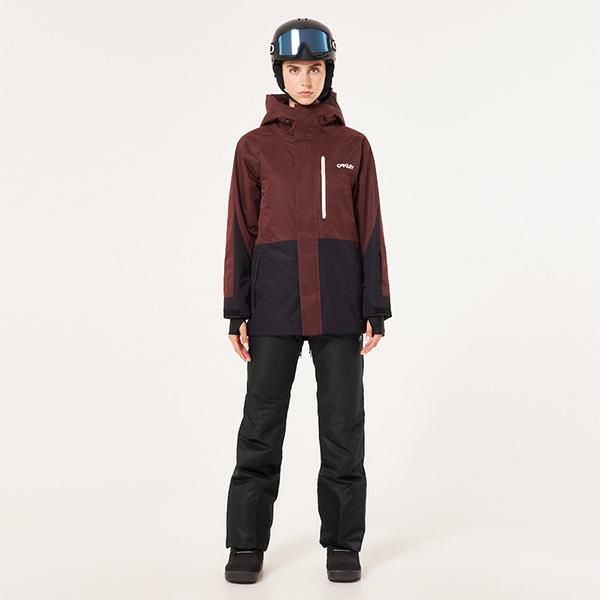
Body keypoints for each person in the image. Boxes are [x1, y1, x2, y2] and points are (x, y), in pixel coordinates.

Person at [222, 18, 392, 584]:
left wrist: (375, 306)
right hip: (273, 308)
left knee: (343, 429)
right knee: (260, 428)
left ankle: (343, 543)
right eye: (293, 69)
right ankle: (246, 545)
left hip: (340, 309)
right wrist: (236, 310)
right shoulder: (254, 148)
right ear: (280, 74)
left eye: (314, 69)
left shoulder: (353, 147)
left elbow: (370, 230)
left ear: (328, 72)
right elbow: (240, 232)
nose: (304, 80)